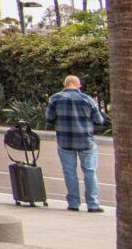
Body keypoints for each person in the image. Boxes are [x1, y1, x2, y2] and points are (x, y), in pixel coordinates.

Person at [44, 74, 108, 212]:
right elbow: (99, 121)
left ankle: (73, 203)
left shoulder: (55, 99)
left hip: (65, 140)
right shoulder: (87, 100)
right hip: (86, 140)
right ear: (79, 86)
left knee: (69, 172)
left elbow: (49, 119)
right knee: (90, 172)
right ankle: (93, 204)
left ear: (64, 84)